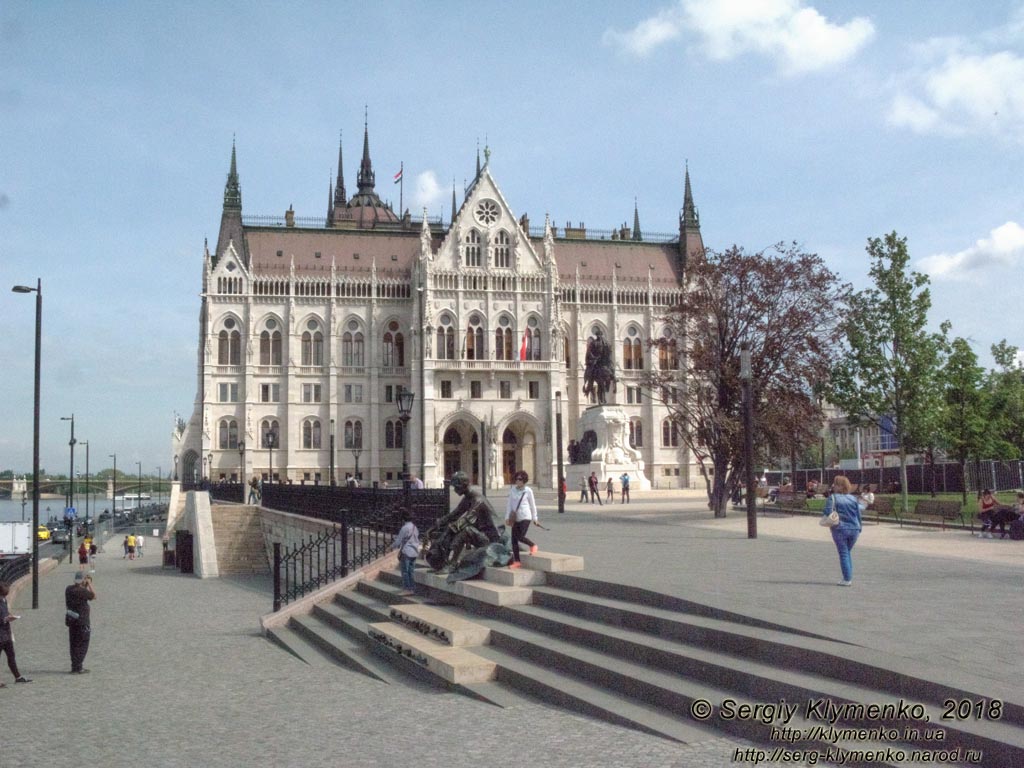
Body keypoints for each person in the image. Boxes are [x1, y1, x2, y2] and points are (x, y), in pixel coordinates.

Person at [821, 476, 865, 587]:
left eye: (835, 484)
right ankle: (848, 576)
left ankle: (847, 578)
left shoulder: (833, 498)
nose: (833, 486)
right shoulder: (853, 498)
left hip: (840, 528)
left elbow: (827, 511)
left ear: (840, 486)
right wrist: (860, 527)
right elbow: (858, 514)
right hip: (854, 528)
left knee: (844, 553)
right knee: (847, 552)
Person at [505, 471, 539, 568]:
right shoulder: (512, 490)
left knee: (520, 536)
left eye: (520, 479)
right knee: (513, 540)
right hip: (515, 517)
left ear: (524, 481)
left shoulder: (528, 491)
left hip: (525, 516)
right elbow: (509, 505)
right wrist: (507, 517)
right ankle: (517, 561)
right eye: (516, 479)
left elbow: (533, 505)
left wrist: (535, 518)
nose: (517, 481)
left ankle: (532, 545)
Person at [0, 582, 31, 686]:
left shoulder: (3, 601)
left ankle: (18, 676)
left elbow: (5, 613)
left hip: (6, 634)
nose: (4, 597)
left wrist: (9, 616)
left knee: (11, 656)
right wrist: (5, 619)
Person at [65, 572, 96, 674]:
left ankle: (74, 666)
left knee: (73, 644)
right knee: (83, 644)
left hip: (72, 620)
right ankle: (79, 667)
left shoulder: (68, 589)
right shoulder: (82, 591)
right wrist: (89, 584)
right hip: (82, 621)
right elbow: (93, 596)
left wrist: (84, 584)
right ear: (83, 580)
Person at [392, 508, 420, 595]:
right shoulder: (415, 528)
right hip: (414, 552)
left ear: (403, 519)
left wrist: (390, 547)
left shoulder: (404, 528)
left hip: (406, 552)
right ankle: (412, 588)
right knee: (411, 571)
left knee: (404, 571)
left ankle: (407, 589)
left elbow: (398, 541)